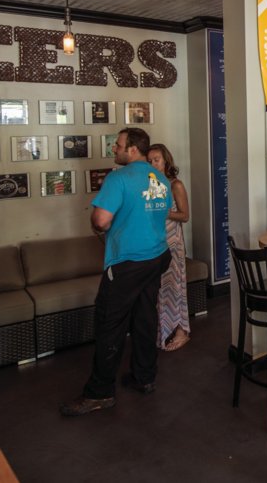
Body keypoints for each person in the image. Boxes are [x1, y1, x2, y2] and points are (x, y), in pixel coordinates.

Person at [61, 128, 172, 416]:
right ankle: (144, 377)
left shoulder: (118, 178)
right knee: (145, 318)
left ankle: (99, 393)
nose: (114, 150)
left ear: (133, 149)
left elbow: (100, 220)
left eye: (118, 145)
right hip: (157, 256)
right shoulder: (159, 177)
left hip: (128, 263)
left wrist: (97, 222)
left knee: (109, 323)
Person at [147, 143, 191, 352]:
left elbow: (185, 216)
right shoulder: (151, 185)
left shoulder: (176, 185)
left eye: (156, 159)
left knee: (175, 286)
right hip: (154, 243)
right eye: (149, 161)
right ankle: (163, 330)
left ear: (166, 160)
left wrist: (164, 212)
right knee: (160, 290)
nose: (153, 163)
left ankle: (182, 331)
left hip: (173, 243)